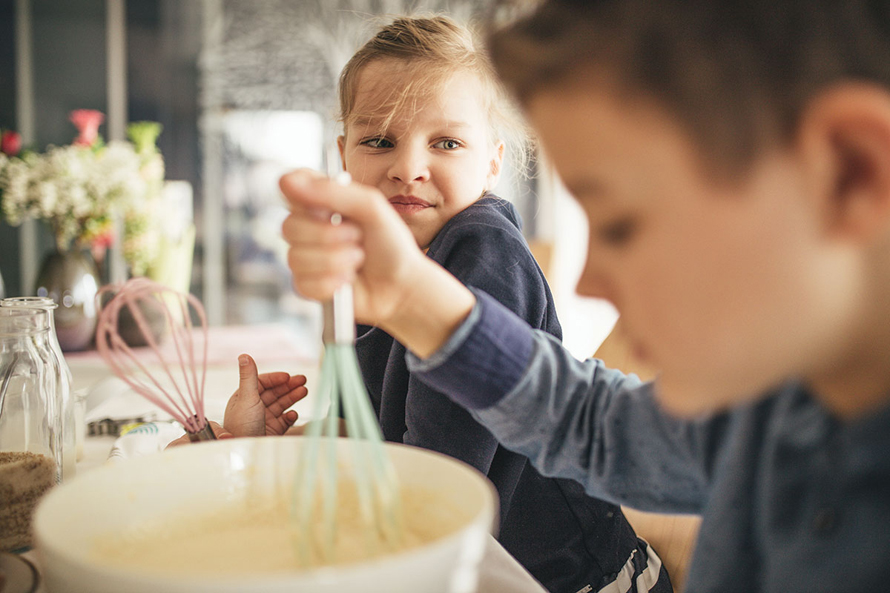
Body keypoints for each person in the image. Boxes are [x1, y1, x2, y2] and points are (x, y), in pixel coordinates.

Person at [278, 1, 890, 592]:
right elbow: (591, 423)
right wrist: (407, 296)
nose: (583, 281)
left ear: (850, 171)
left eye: (622, 223)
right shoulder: (773, 415)